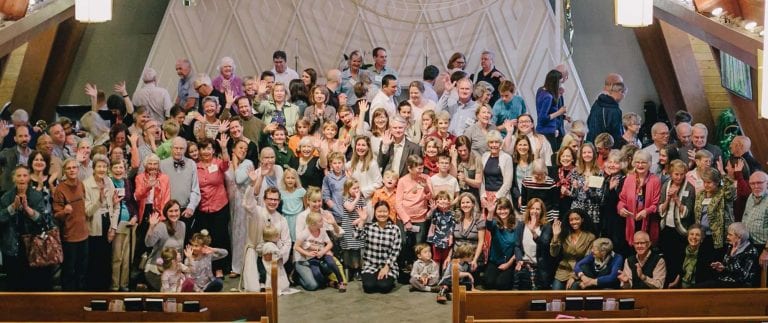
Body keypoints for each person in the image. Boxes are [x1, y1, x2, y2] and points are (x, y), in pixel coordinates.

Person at [0, 165, 51, 291]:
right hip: (12, 247)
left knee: (33, 284)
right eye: (19, 175)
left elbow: (44, 220)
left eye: (24, 175)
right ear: (13, 179)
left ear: (29, 178)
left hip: (33, 246)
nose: (22, 178)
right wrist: (12, 208)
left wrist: (28, 210)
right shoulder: (6, 197)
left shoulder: (36, 196)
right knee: (14, 284)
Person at [194, 137, 231, 278]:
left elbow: (227, 164)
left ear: (213, 150)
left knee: (219, 238)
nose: (206, 151)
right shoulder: (195, 166)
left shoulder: (218, 163)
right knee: (204, 239)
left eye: (209, 148)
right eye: (203, 148)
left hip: (219, 206)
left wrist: (224, 148)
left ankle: (219, 268)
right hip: (202, 208)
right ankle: (205, 268)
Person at [83, 154, 119, 291]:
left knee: (106, 259)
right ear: (94, 168)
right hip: (94, 226)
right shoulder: (86, 184)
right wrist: (99, 200)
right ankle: (93, 290)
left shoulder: (109, 181)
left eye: (104, 166)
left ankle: (105, 289)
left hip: (108, 224)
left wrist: (113, 228)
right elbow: (87, 212)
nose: (102, 169)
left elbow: (116, 206)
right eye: (99, 166)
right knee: (95, 260)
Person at [53, 158, 89, 291]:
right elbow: (56, 215)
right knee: (69, 271)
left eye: (74, 167)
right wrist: (64, 212)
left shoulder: (81, 184)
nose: (72, 170)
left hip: (84, 235)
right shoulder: (60, 189)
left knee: (82, 270)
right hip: (69, 236)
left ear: (78, 170)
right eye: (69, 168)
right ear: (65, 171)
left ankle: (80, 297)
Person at [658, 159, 696, 285]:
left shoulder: (690, 188)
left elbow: (687, 213)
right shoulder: (666, 185)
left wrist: (676, 199)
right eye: (676, 174)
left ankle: (677, 283)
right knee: (666, 257)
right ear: (671, 173)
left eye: (682, 174)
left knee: (678, 258)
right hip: (666, 228)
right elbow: (660, 209)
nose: (679, 177)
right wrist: (668, 199)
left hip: (681, 231)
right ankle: (666, 282)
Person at [354, 200, 402, 294]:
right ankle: (375, 278)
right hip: (370, 265)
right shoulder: (369, 227)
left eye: (385, 211)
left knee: (384, 287)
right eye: (379, 211)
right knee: (369, 287)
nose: (382, 214)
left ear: (389, 213)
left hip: (388, 266)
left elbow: (396, 251)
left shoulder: (395, 229)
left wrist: (386, 267)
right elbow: (356, 236)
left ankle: (388, 280)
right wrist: (362, 220)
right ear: (375, 213)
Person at [159, 137, 200, 243]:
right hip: (168, 211)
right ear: (171, 148)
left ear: (185, 150)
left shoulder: (191, 164)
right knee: (167, 243)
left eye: (181, 148)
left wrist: (191, 207)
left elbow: (195, 189)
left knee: (186, 242)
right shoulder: (162, 164)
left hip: (185, 211)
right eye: (176, 148)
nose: (178, 151)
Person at [618, 150, 662, 247]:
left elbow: (656, 203)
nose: (640, 165)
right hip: (631, 221)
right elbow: (622, 200)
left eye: (643, 162)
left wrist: (646, 211)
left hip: (648, 221)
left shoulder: (655, 180)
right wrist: (621, 209)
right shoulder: (629, 179)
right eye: (637, 162)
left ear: (649, 164)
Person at [294, 211, 347, 292]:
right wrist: (307, 253)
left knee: (332, 263)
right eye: (320, 221)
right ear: (312, 224)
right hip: (312, 258)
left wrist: (323, 251)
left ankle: (341, 282)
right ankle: (328, 282)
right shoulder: (304, 233)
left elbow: (329, 244)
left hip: (323, 253)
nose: (323, 222)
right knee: (317, 274)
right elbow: (296, 247)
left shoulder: (322, 230)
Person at [696, 222, 759, 288]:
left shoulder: (751, 251)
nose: (727, 237)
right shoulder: (730, 246)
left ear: (739, 237)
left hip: (739, 285)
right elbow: (728, 266)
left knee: (703, 288)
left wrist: (732, 256)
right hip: (724, 281)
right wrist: (722, 267)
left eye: (730, 235)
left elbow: (743, 276)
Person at [144, 200, 186, 291]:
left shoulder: (182, 225)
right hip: (157, 269)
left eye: (176, 210)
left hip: (174, 270)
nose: (174, 214)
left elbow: (180, 251)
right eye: (171, 211)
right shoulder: (161, 226)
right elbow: (148, 243)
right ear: (166, 213)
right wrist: (151, 226)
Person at [550, 209, 596, 290]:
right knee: (555, 294)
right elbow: (553, 253)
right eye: (571, 220)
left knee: (573, 292)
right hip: (563, 271)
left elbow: (587, 259)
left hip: (580, 271)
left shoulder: (590, 237)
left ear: (582, 220)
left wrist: (574, 277)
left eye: (577, 219)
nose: (574, 222)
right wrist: (555, 236)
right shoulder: (564, 234)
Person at [512, 198, 553, 289]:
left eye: (538, 209)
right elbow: (517, 245)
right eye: (532, 208)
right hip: (524, 264)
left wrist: (534, 233)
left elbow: (545, 245)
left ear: (542, 211)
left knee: (538, 296)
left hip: (540, 267)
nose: (534, 211)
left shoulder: (546, 226)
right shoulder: (521, 224)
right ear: (529, 210)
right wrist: (519, 259)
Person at [694, 167, 735, 257]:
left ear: (716, 182)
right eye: (704, 182)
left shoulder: (723, 193)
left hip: (717, 237)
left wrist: (723, 173)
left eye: (709, 182)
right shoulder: (700, 194)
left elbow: (731, 188)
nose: (706, 185)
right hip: (702, 236)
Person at [480, 197, 517, 290]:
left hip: (509, 263)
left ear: (510, 209)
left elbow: (519, 248)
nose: (502, 211)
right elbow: (488, 225)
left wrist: (508, 264)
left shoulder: (517, 225)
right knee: (488, 283)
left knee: (502, 285)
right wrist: (491, 212)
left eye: (505, 208)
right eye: (500, 209)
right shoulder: (495, 224)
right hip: (494, 261)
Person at [585, 74, 625, 143]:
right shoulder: (612, 109)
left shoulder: (597, 103)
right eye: (620, 86)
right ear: (612, 86)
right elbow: (616, 134)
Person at [535, 70, 567, 150]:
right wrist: (559, 112)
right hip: (547, 132)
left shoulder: (541, 90)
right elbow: (543, 118)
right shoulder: (548, 97)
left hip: (542, 131)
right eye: (559, 83)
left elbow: (549, 110)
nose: (560, 85)